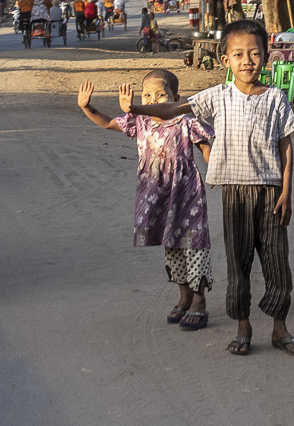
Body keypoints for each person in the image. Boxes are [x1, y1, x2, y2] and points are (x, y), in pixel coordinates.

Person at [128, 20, 294, 357]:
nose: (247, 61)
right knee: (238, 265)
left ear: (267, 57)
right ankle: (243, 327)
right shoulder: (217, 97)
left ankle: (280, 329)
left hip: (270, 193)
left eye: (255, 54)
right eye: (238, 54)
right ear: (225, 60)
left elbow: (286, 145)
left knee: (277, 263)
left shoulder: (276, 98)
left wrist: (287, 191)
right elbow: (172, 109)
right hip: (235, 194)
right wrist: (138, 108)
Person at [77, 72, 215, 330]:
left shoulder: (186, 123)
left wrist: (217, 172)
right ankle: (184, 295)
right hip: (158, 195)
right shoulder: (139, 122)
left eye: (161, 95)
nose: (153, 100)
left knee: (194, 243)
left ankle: (199, 300)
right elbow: (108, 123)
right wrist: (87, 106)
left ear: (175, 98)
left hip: (187, 194)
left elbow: (207, 148)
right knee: (171, 244)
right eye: (147, 95)